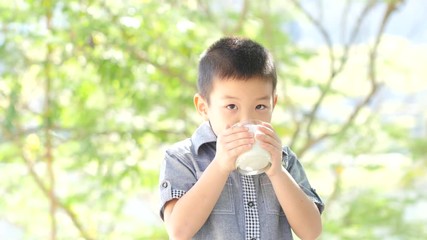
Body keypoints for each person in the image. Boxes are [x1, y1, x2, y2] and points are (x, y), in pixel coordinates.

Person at [158, 37, 324, 240]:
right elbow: (178, 231)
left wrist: (278, 172)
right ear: (203, 107)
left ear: (274, 103)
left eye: (260, 107)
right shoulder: (183, 158)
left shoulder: (283, 158)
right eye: (231, 107)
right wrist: (220, 166)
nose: (246, 120)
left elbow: (311, 231)